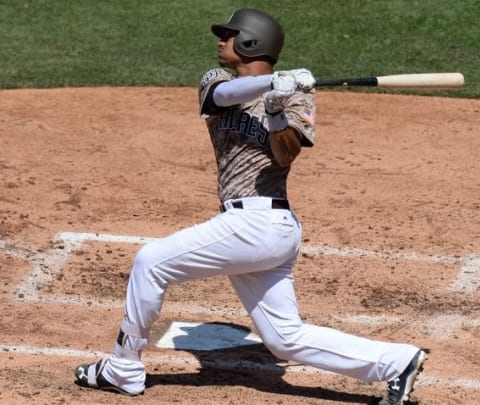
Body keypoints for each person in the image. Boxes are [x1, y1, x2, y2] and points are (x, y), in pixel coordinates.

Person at [73, 8, 427, 405]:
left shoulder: (296, 94)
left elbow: (285, 155)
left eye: (228, 35)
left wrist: (277, 109)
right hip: (252, 229)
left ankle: (123, 368)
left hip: (263, 223)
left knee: (150, 262)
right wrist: (271, 83)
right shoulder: (218, 80)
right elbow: (221, 97)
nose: (220, 41)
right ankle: (397, 361)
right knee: (284, 339)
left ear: (250, 42)